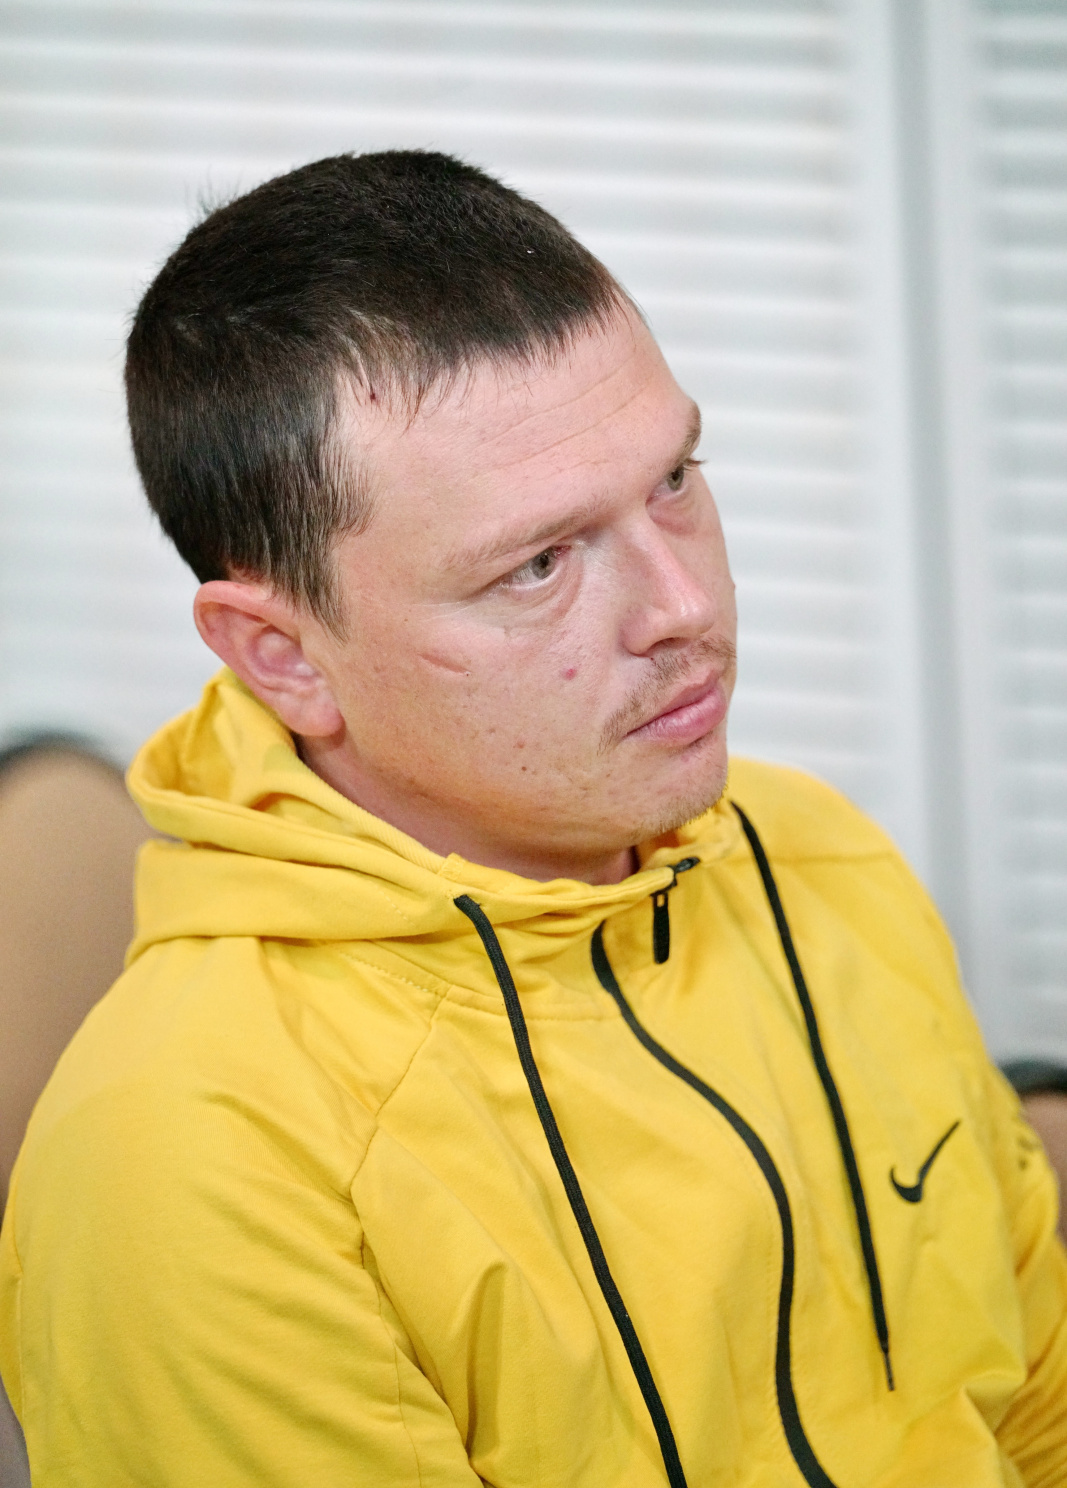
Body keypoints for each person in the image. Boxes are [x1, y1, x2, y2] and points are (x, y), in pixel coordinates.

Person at [0, 151, 1064, 1488]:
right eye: (540, 564)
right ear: (284, 658)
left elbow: (1033, 1408)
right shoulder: (194, 1167)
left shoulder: (813, 854)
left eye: (674, 479)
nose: (685, 607)